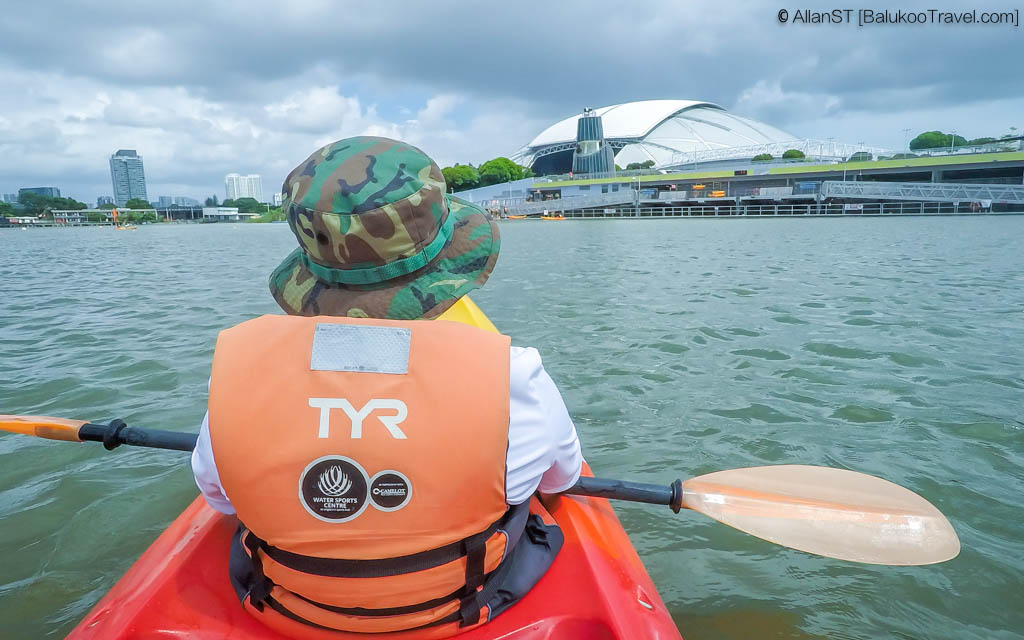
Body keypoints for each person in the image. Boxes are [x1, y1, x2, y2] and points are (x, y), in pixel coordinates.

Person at [191, 136, 584, 638]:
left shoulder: (236, 371)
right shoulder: (514, 374)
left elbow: (220, 497)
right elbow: (559, 481)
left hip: (290, 606)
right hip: (459, 607)